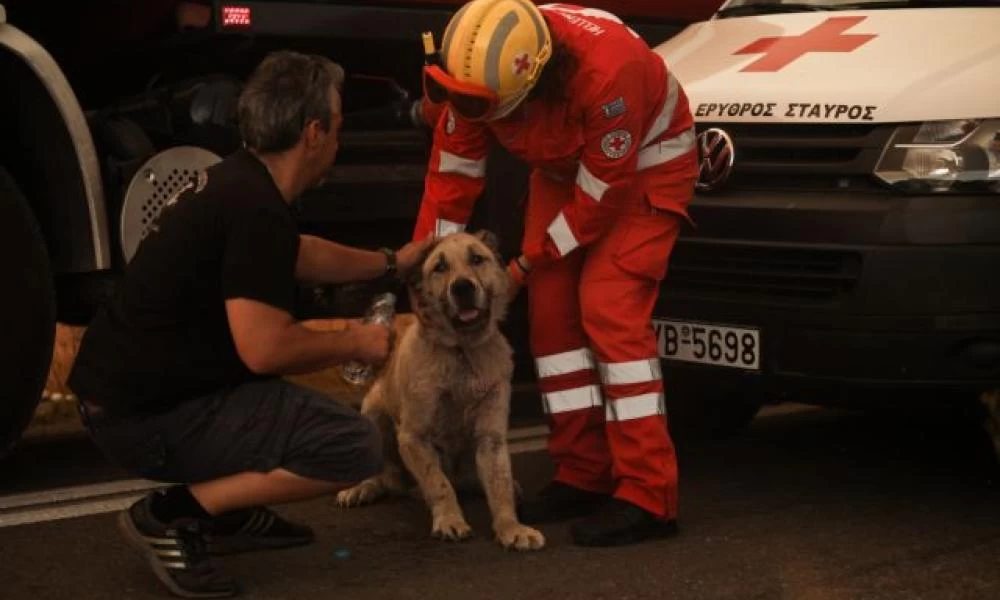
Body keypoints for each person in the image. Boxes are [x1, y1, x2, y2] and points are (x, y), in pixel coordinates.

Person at [68, 50, 430, 598]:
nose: (339, 138)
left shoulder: (239, 181)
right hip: (144, 423)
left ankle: (230, 513)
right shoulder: (255, 208)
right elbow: (264, 348)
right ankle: (173, 515)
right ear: (312, 132)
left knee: (275, 397)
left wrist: (390, 262)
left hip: (123, 402)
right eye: (337, 124)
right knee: (355, 445)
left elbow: (298, 252)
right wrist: (355, 340)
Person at [412, 0, 699, 547]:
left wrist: (525, 261)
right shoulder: (479, 72)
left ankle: (647, 494)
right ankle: (583, 473)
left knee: (607, 309)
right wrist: (427, 277)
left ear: (536, 83)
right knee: (552, 320)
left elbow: (599, 196)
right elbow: (452, 177)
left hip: (643, 168)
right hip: (567, 167)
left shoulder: (609, 74)